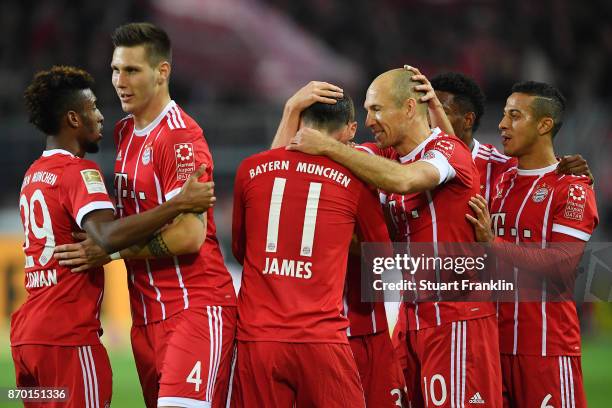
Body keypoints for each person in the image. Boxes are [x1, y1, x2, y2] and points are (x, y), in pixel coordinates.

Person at [288, 68, 502, 407]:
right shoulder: (389, 155)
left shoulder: (447, 151)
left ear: (408, 108)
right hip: (412, 321)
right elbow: (295, 160)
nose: (369, 120)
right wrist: (291, 111)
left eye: (376, 109)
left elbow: (404, 181)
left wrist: (329, 146)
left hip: (456, 318)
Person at [55, 23, 237, 408]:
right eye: (116, 70)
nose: (120, 81)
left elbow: (189, 235)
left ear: (162, 72)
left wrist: (113, 251)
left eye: (132, 70)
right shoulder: (123, 132)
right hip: (146, 318)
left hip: (195, 308)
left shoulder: (181, 138)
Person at [12, 66, 215, 408]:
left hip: (26, 342)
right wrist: (177, 203)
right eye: (93, 109)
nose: (102, 117)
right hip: (68, 340)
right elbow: (106, 235)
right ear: (74, 119)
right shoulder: (78, 172)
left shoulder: (33, 174)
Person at [230, 95, 391, 407]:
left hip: (259, 340)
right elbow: (381, 257)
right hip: (321, 338)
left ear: (301, 123)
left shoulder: (250, 169)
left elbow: (242, 250)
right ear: (348, 130)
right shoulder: (355, 179)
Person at [272, 81, 407, 407]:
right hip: (315, 336)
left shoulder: (364, 163)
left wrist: (331, 237)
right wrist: (290, 108)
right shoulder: (287, 172)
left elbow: (382, 257)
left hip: (361, 329)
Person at [466, 81, 598, 408]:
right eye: (504, 115)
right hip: (492, 349)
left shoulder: (573, 188)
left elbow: (562, 265)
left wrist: (493, 243)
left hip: (547, 351)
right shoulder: (499, 178)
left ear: (544, 124)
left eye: (515, 115)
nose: (502, 124)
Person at [430, 72, 592, 201]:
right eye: (426, 111)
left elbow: (546, 176)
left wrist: (581, 178)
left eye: (441, 112)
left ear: (468, 120)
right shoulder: (408, 157)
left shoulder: (501, 168)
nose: (429, 119)